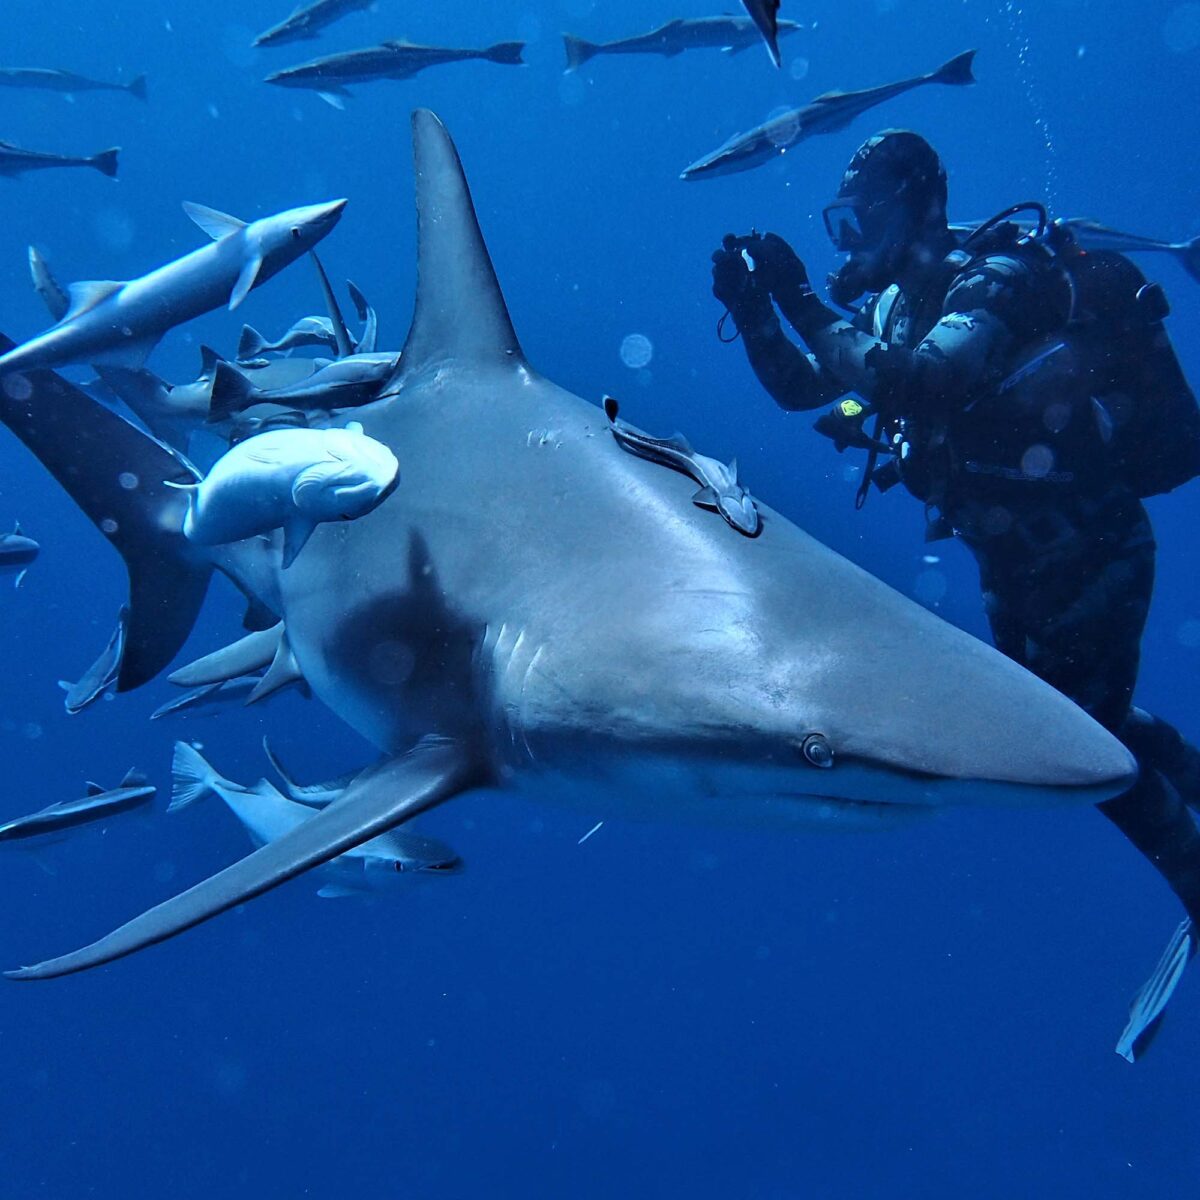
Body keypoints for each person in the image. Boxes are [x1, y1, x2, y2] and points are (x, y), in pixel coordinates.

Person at [711, 128, 1200, 1059]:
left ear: (918, 208)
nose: (851, 241)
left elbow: (920, 383)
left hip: (1090, 550)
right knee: (1081, 723)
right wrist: (754, 311)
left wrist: (800, 296)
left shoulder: (996, 281)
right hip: (1011, 561)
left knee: (1082, 742)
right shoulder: (901, 303)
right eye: (840, 224)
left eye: (862, 220)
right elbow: (806, 388)